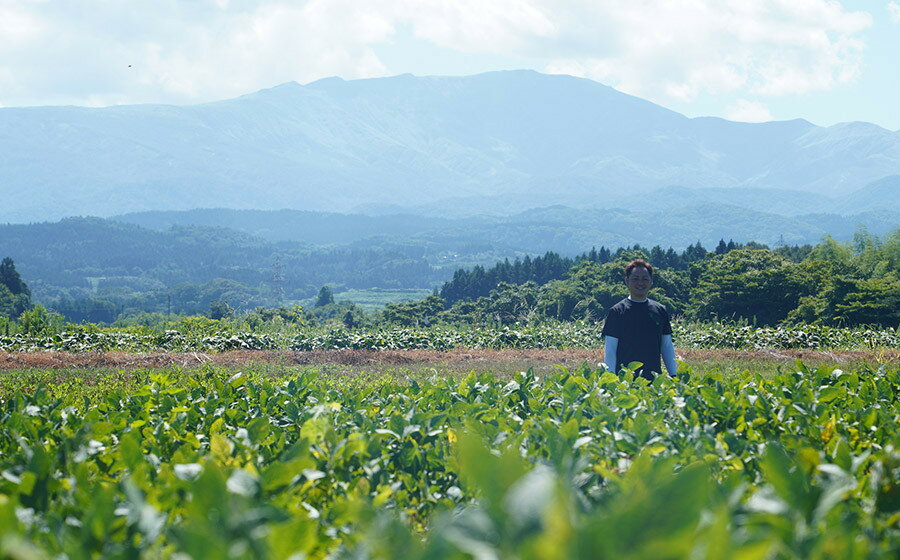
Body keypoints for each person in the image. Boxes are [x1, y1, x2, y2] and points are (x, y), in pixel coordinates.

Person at [601, 259, 678, 380]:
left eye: (645, 279)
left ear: (651, 281)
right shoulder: (617, 311)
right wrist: (611, 379)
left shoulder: (660, 310)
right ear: (627, 281)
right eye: (635, 279)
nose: (640, 283)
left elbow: (666, 346)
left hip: (654, 380)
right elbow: (610, 350)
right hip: (625, 381)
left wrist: (674, 374)